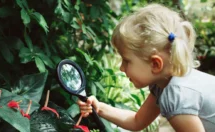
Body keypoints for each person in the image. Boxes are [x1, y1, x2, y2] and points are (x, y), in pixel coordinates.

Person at [77, 4, 215, 132]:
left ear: (155, 64)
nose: (121, 68)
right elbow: (137, 121)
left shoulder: (177, 94)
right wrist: (99, 108)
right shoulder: (164, 84)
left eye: (126, 61)